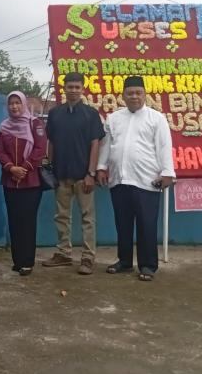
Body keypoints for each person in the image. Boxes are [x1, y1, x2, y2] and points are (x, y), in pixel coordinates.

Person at [96, 75, 175, 282]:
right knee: (122, 224)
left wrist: (167, 172)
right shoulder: (114, 118)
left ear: (145, 95)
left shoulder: (156, 118)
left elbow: (164, 146)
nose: (134, 97)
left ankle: (148, 265)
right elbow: (106, 146)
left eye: (138, 93)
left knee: (146, 224)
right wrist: (101, 168)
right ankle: (124, 261)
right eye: (130, 93)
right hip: (119, 180)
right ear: (123, 96)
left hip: (146, 180)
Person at [42, 72, 105, 275]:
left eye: (77, 87)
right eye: (70, 87)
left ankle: (88, 258)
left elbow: (95, 144)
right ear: (64, 88)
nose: (74, 91)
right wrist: (50, 167)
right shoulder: (55, 114)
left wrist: (91, 173)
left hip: (83, 176)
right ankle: (63, 253)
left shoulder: (91, 114)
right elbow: (51, 142)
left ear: (82, 89)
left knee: (87, 218)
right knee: (61, 216)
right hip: (61, 174)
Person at [0, 91, 47, 276]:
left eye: (18, 103)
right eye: (11, 103)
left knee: (27, 221)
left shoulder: (35, 124)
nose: (14, 106)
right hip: (10, 182)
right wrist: (11, 168)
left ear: (23, 104)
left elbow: (40, 149)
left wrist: (23, 168)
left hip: (31, 182)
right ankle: (17, 260)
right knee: (14, 220)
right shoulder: (4, 127)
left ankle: (27, 261)